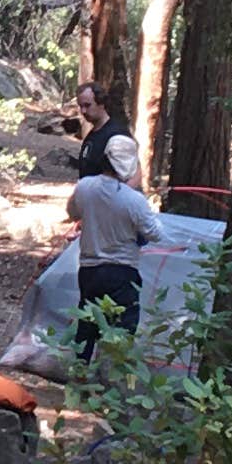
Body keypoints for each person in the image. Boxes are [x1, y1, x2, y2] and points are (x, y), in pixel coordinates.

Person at [66, 130, 158, 361]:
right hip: (122, 272)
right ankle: (114, 384)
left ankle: (80, 378)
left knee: (87, 326)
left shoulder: (85, 187)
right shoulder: (134, 200)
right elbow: (156, 233)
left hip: (88, 271)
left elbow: (72, 212)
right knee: (122, 330)